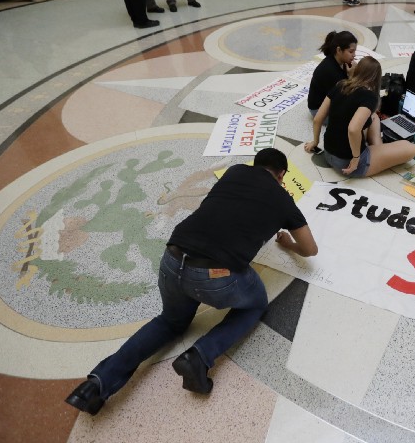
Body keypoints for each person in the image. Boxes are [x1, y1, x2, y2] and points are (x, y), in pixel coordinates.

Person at [64, 148, 318, 415]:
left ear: (255, 164)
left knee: (169, 322)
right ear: (282, 175)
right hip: (215, 274)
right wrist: (288, 242)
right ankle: (199, 356)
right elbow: (310, 249)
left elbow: (232, 206)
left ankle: (96, 385)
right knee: (255, 304)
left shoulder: (235, 171)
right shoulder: (283, 199)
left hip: (173, 258)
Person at [305, 57, 415, 177]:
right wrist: (355, 158)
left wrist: (315, 142)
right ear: (376, 77)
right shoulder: (370, 97)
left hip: (328, 153)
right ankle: (378, 152)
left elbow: (318, 118)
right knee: (412, 148)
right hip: (348, 163)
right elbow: (353, 129)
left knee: (373, 116)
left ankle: (378, 148)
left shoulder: (340, 85)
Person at [308, 31, 358, 118]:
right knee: (361, 117)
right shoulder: (330, 70)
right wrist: (352, 76)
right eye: (351, 52)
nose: (354, 55)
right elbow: (346, 97)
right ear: (339, 50)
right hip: (319, 111)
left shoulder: (341, 61)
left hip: (331, 104)